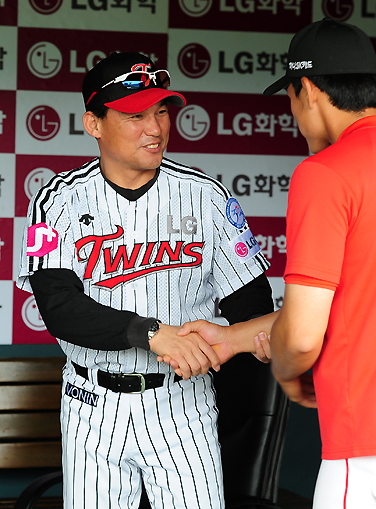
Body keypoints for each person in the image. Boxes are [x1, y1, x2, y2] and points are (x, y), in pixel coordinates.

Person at [177, 18, 376, 508]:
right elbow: (354, 309)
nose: (292, 115)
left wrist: (287, 370)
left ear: (307, 90)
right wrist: (233, 339)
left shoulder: (326, 172)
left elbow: (302, 338)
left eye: (289, 98)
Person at [17, 51, 274, 509]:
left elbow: (251, 303)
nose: (155, 129)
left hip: (182, 403)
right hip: (92, 403)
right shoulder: (58, 200)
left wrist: (236, 340)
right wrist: (152, 334)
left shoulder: (205, 196)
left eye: (161, 111)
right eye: (135, 116)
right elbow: (59, 308)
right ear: (94, 124)